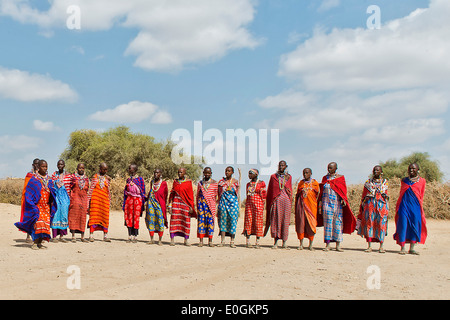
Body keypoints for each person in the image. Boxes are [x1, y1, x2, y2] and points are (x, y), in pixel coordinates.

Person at [15, 160, 56, 250]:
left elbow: (52, 191)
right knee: (38, 224)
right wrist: (32, 205)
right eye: (43, 166)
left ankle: (40, 243)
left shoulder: (49, 179)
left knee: (45, 225)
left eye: (46, 167)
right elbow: (28, 193)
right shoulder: (34, 179)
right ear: (38, 167)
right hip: (37, 206)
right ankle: (35, 243)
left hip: (46, 206)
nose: (45, 168)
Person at [318, 162, 356, 252]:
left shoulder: (340, 178)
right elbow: (322, 191)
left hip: (337, 204)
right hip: (326, 204)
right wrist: (320, 204)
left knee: (338, 223)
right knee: (328, 224)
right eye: (328, 168)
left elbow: (343, 191)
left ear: (336, 168)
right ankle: (327, 245)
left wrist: (343, 199)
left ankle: (338, 245)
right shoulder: (325, 178)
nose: (329, 169)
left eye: (331, 168)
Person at [393, 163, 427, 255]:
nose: (411, 170)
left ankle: (412, 248)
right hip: (404, 206)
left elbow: (421, 194)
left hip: (415, 207)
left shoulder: (422, 181)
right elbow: (401, 193)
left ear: (418, 170)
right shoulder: (404, 180)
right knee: (403, 225)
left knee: (415, 225)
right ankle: (403, 247)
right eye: (410, 168)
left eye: (413, 168)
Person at [357, 165, 389, 253]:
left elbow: (386, 195)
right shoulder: (368, 182)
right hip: (370, 206)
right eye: (374, 170)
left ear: (381, 172)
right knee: (369, 223)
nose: (375, 172)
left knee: (381, 224)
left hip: (381, 206)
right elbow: (364, 195)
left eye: (377, 170)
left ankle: (381, 246)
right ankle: (369, 246)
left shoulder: (385, 182)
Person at [264, 161, 292, 249]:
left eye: (283, 165)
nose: (281, 167)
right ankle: (275, 242)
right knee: (275, 221)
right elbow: (271, 191)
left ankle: (284, 242)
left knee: (285, 221)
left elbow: (290, 190)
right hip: (276, 201)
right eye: (280, 165)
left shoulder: (289, 177)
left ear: (286, 166)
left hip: (286, 201)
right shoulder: (273, 177)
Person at [168, 168, 196, 246]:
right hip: (176, 203)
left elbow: (190, 195)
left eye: (181, 172)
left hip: (185, 204)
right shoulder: (175, 182)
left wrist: (191, 206)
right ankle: (172, 240)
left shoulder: (188, 182)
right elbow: (172, 193)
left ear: (184, 173)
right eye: (178, 172)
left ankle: (186, 240)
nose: (179, 173)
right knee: (174, 220)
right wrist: (170, 205)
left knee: (186, 221)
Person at [294, 168, 320, 251]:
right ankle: (301, 244)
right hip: (301, 206)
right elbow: (297, 194)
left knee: (311, 225)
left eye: (307, 173)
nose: (305, 174)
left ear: (311, 173)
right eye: (304, 173)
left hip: (311, 207)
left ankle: (310, 245)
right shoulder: (301, 183)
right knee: (301, 224)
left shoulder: (315, 183)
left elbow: (318, 195)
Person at [87, 163, 112, 242]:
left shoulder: (107, 178)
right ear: (100, 169)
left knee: (104, 218)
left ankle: (105, 236)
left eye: (106, 169)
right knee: (93, 217)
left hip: (104, 202)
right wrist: (89, 201)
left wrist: (109, 201)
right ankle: (91, 235)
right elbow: (91, 190)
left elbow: (108, 190)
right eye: (104, 169)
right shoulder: (94, 177)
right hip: (95, 202)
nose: (106, 171)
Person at [243, 169, 266, 248]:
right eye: (248, 173)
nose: (249, 175)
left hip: (258, 205)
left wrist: (262, 205)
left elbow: (264, 195)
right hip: (249, 205)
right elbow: (247, 194)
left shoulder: (261, 183)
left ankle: (257, 242)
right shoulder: (248, 184)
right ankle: (248, 241)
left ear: (256, 175)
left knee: (258, 221)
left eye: (251, 174)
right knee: (248, 221)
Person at [217, 166, 240, 248]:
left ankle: (232, 241)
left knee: (233, 221)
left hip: (233, 204)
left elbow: (236, 193)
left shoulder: (236, 182)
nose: (227, 172)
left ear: (232, 172)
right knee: (223, 222)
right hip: (223, 203)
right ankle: (222, 241)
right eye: (226, 171)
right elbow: (218, 193)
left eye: (229, 171)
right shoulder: (221, 182)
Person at [123, 164, 146, 243]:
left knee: (135, 218)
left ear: (134, 170)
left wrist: (142, 202)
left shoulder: (140, 180)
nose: (129, 169)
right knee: (129, 217)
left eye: (130, 168)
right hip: (129, 200)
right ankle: (129, 236)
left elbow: (143, 191)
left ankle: (135, 236)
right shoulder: (128, 180)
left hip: (137, 200)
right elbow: (125, 191)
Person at [145, 168, 168, 245]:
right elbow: (151, 191)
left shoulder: (164, 183)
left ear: (160, 174)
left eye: (157, 173)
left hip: (159, 204)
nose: (155, 174)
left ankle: (160, 240)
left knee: (160, 220)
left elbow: (165, 194)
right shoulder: (152, 182)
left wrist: (163, 203)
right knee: (151, 220)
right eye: (154, 173)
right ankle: (151, 239)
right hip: (151, 203)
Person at [196, 167, 218, 247]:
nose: (207, 174)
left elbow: (216, 195)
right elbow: (198, 195)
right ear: (203, 173)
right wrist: (198, 206)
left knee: (210, 222)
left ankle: (210, 241)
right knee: (201, 222)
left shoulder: (215, 183)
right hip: (201, 205)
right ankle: (201, 241)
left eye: (209, 173)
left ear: (211, 173)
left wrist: (214, 204)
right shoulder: (200, 183)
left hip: (211, 206)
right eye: (205, 173)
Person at [50, 160, 72, 243]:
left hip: (65, 199)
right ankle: (54, 236)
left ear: (64, 165)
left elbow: (71, 186)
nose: (60, 165)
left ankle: (62, 236)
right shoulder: (54, 174)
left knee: (63, 216)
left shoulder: (68, 175)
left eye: (62, 164)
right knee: (55, 215)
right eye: (59, 164)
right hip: (56, 198)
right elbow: (52, 185)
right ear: (57, 165)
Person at [19, 158, 40, 243]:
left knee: (38, 218)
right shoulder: (29, 175)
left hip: (38, 199)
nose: (36, 165)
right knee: (29, 217)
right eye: (35, 163)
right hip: (29, 199)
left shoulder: (42, 175)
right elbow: (25, 188)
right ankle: (28, 235)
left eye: (38, 164)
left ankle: (38, 236)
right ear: (33, 165)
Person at [68, 163, 90, 242]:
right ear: (77, 169)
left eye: (83, 168)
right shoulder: (73, 178)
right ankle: (73, 236)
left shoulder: (87, 179)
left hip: (83, 200)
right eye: (80, 168)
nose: (81, 169)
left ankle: (82, 236)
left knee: (82, 217)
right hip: (75, 199)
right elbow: (70, 188)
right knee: (74, 216)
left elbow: (87, 190)